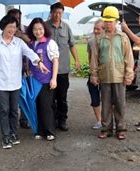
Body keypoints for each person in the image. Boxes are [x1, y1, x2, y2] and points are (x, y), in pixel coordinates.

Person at [0, 15, 48, 149]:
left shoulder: (18, 42)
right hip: (1, 83)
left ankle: (13, 133)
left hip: (15, 82)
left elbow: (30, 53)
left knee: (13, 110)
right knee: (4, 110)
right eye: (10, 26)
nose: (12, 29)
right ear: (3, 27)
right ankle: (5, 136)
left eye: (14, 27)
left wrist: (39, 62)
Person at [90, 6, 134, 140]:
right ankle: (106, 128)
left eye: (110, 21)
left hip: (119, 76)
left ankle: (121, 128)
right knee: (106, 104)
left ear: (116, 22)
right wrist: (94, 74)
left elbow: (129, 57)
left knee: (120, 103)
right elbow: (94, 58)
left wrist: (129, 74)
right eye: (106, 21)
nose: (108, 24)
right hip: (104, 76)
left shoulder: (123, 37)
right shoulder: (99, 39)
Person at [47, 2, 81, 132]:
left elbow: (72, 45)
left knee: (62, 97)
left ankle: (62, 120)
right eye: (55, 12)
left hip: (62, 70)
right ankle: (52, 120)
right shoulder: (44, 27)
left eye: (60, 13)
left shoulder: (66, 27)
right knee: (50, 98)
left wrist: (77, 60)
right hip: (48, 70)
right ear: (51, 12)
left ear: (62, 13)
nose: (57, 15)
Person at [26, 18, 59, 141]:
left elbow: (55, 61)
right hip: (34, 80)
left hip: (46, 79)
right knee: (36, 105)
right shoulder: (31, 44)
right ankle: (38, 130)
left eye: (40, 29)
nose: (38, 31)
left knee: (46, 106)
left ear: (44, 29)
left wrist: (54, 79)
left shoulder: (50, 43)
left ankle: (50, 131)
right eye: (35, 29)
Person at [7, 8, 32, 129]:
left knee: (25, 94)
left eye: (18, 17)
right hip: (11, 69)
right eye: (14, 17)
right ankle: (11, 120)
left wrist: (21, 35)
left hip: (25, 68)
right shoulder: (6, 30)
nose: (17, 19)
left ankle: (24, 119)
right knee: (12, 96)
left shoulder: (26, 29)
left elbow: (32, 44)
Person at [87, 20, 104, 130]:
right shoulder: (91, 40)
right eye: (94, 28)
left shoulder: (108, 40)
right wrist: (92, 72)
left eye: (98, 29)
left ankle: (108, 120)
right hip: (93, 73)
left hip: (105, 73)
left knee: (108, 98)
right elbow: (90, 57)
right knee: (94, 98)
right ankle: (99, 120)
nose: (96, 31)